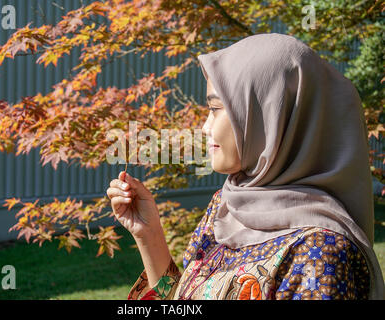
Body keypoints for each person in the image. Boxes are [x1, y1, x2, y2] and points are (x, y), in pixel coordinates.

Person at [106, 33, 384, 300]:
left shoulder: (320, 252)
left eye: (215, 110)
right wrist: (149, 234)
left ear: (269, 119)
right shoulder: (224, 207)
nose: (204, 127)